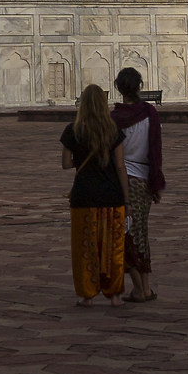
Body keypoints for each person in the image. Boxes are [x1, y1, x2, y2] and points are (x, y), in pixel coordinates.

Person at [62, 84, 127, 306]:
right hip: (111, 195)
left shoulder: (73, 130)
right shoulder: (113, 130)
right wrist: (126, 197)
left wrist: (80, 160)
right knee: (113, 247)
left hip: (84, 196)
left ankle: (86, 294)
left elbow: (65, 164)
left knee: (84, 246)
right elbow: (120, 166)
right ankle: (115, 294)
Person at [111, 66, 167, 302]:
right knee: (140, 232)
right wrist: (156, 184)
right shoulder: (149, 113)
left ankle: (139, 288)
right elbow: (156, 151)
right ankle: (145, 287)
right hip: (144, 180)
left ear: (119, 89)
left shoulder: (115, 119)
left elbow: (113, 157)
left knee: (126, 234)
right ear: (139, 87)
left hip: (125, 182)